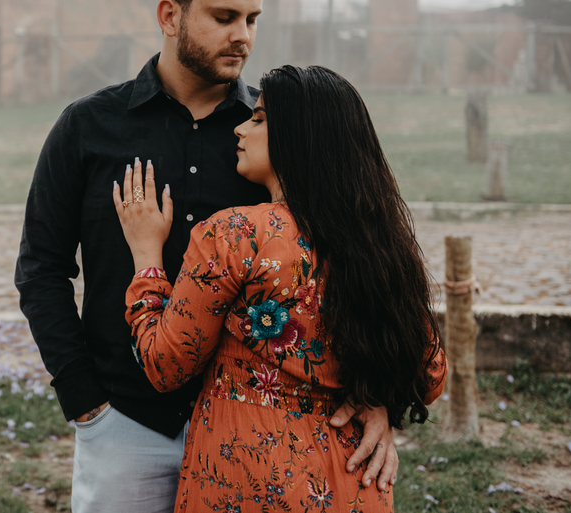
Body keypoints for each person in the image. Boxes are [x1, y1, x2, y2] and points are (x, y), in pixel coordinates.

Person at [15, 0, 399, 513]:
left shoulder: (274, 136)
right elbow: (40, 269)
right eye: (224, 16)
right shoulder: (89, 127)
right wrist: (84, 401)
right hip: (125, 424)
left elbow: (350, 260)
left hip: (254, 433)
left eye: (252, 18)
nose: (242, 36)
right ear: (170, 15)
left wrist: (372, 393)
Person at [115, 65, 447, 511]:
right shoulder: (380, 247)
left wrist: (146, 256)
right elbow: (429, 374)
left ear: (298, 136)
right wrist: (377, 401)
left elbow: (166, 365)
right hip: (352, 483)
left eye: (258, 118)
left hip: (248, 483)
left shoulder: (235, 236)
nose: (240, 127)